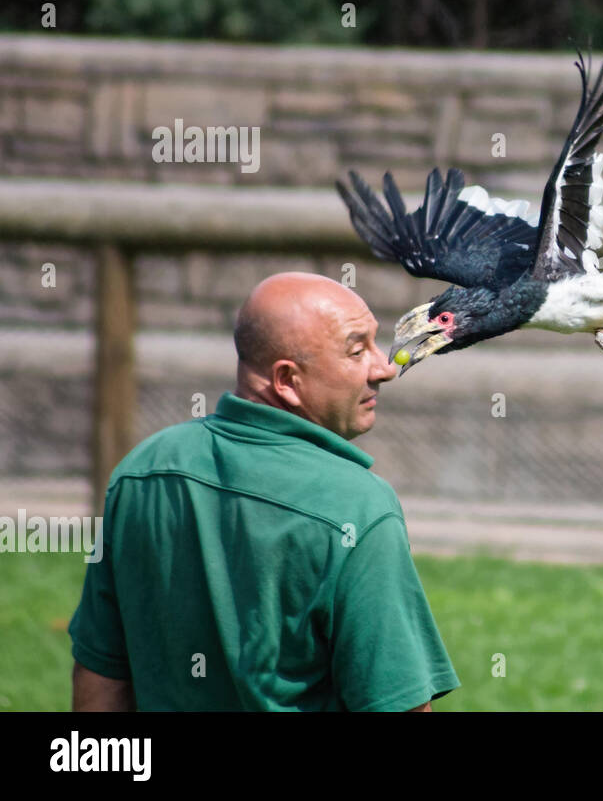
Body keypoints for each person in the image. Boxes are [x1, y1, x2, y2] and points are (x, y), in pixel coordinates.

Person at [68, 272, 458, 711]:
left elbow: (100, 672)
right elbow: (397, 703)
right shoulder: (358, 508)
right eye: (356, 351)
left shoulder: (141, 472)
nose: (384, 367)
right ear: (287, 381)